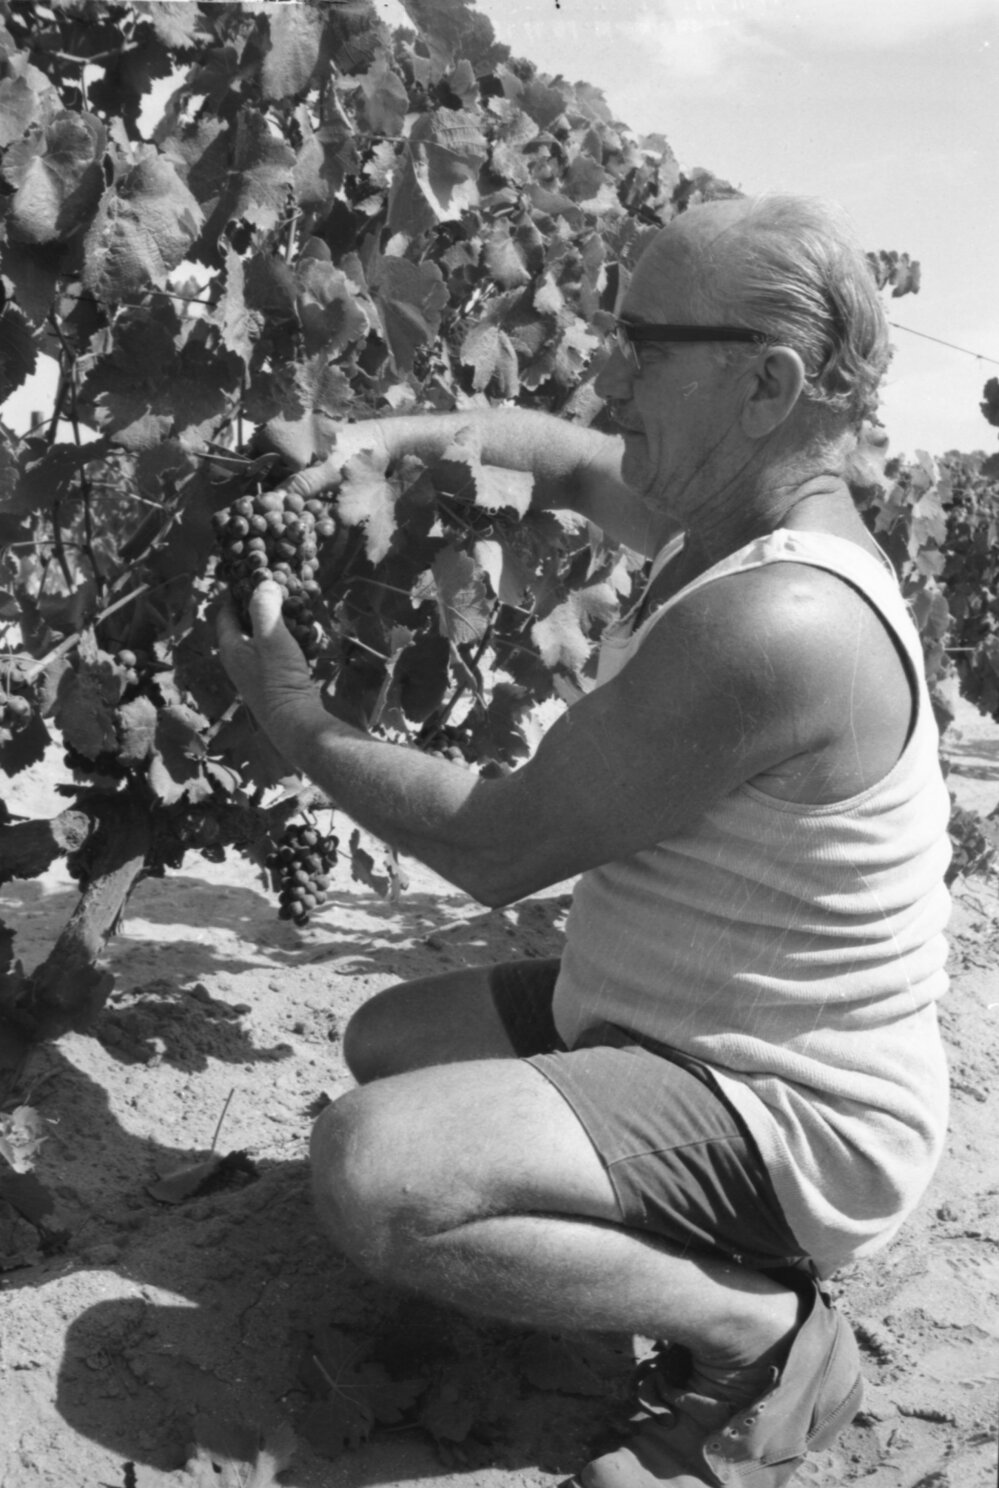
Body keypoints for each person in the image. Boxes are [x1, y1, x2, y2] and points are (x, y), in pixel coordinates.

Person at [218, 193, 952, 1488]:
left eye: (645, 344)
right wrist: (372, 447)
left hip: (793, 1108)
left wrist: (290, 712)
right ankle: (675, 1239)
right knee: (384, 1043)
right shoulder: (710, 515)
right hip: (682, 1015)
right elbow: (540, 460)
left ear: (768, 385)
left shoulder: (785, 622)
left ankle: (766, 1332)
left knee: (377, 1168)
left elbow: (498, 848)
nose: (606, 371)